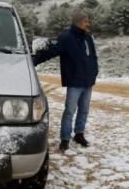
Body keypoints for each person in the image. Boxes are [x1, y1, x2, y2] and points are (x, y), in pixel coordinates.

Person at [33, 8, 98, 152]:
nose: (89, 23)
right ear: (79, 22)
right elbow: (52, 52)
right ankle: (65, 139)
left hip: (88, 81)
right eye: (86, 21)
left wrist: (95, 72)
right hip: (75, 81)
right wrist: (33, 60)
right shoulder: (66, 37)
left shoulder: (88, 37)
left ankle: (79, 134)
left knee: (84, 110)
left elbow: (93, 56)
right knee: (69, 111)